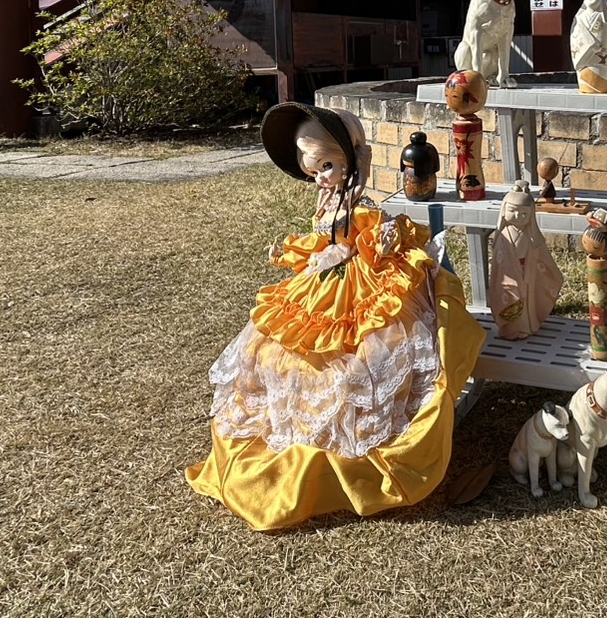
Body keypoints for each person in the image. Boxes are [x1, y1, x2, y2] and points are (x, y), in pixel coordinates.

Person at [186, 102, 484, 531]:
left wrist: (381, 239)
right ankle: (306, 429)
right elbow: (321, 240)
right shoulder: (329, 200)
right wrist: (294, 252)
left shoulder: (357, 204)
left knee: (364, 355)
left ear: (348, 159)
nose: (321, 178)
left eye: (326, 166)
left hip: (360, 282)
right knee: (288, 349)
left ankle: (359, 440)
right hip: (325, 278)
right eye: (313, 171)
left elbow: (367, 235)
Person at [489, 180, 565, 339]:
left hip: (528, 273)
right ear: (504, 211)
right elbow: (500, 261)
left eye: (524, 213)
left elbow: (541, 257)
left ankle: (528, 326)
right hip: (509, 276)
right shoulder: (503, 236)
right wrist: (513, 275)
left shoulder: (532, 237)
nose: (518, 216)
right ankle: (510, 329)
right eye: (513, 211)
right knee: (512, 299)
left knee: (528, 301)